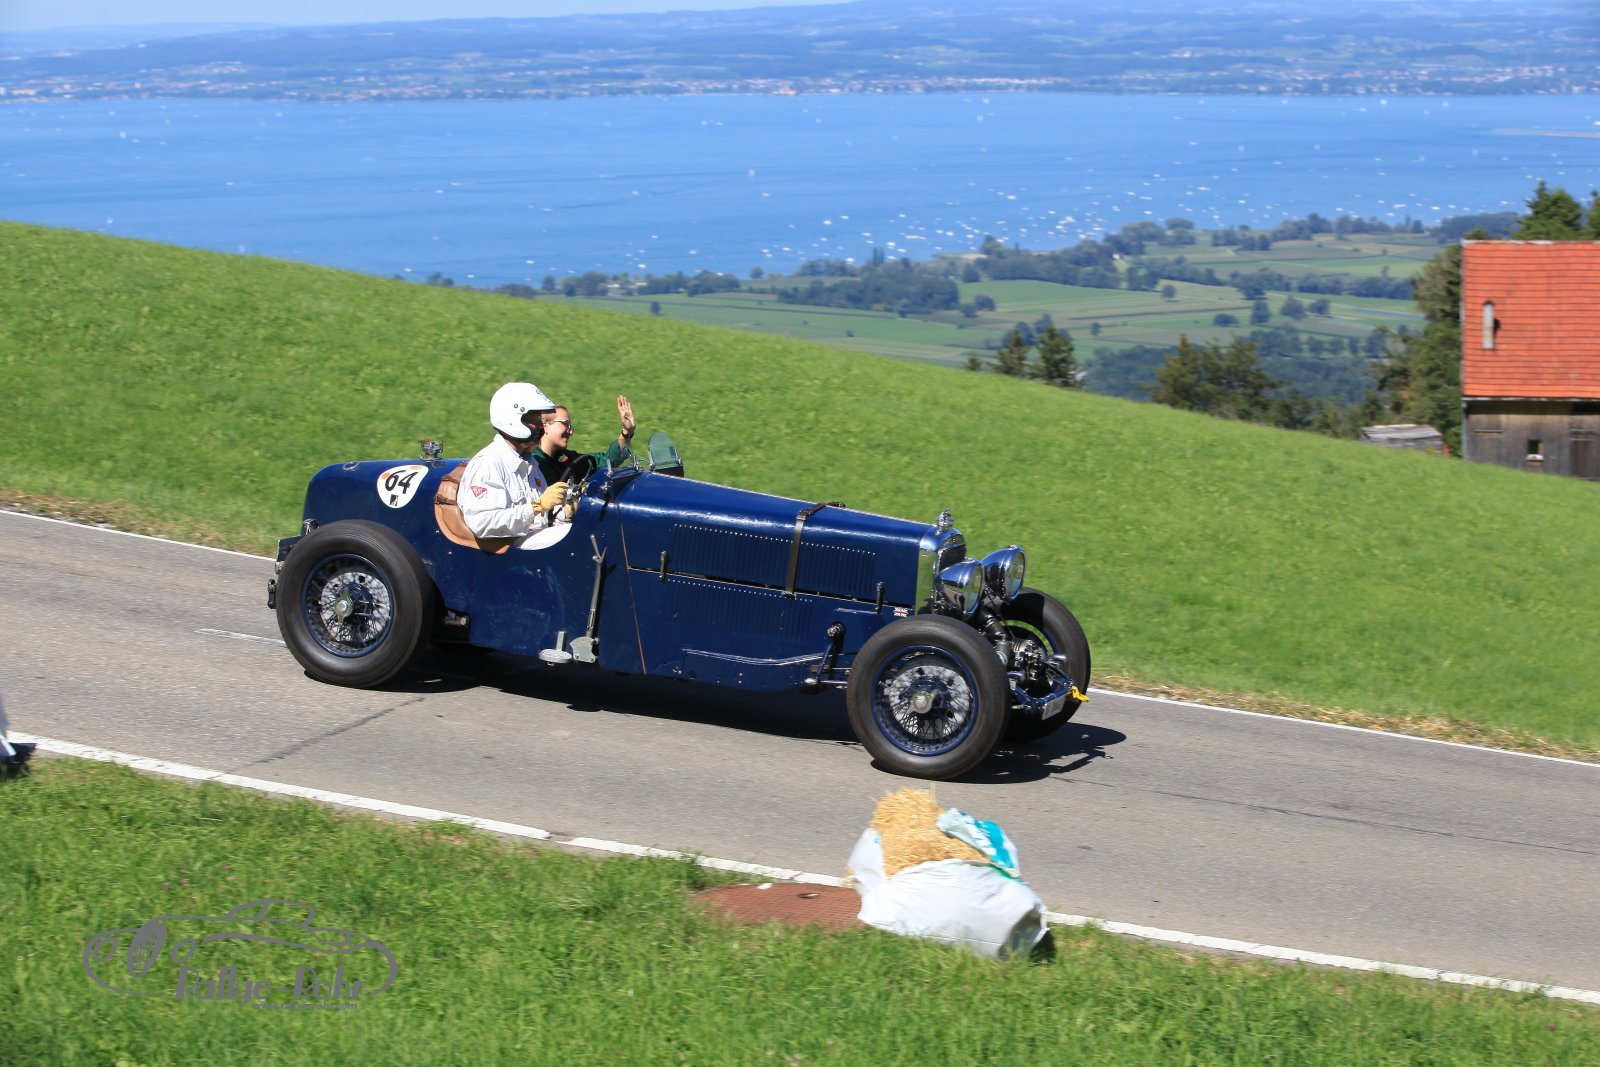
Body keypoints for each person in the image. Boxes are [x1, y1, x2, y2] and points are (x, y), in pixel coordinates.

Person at [458, 381, 572, 543]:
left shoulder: (531, 464)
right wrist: (536, 507)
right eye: (535, 419)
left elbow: (541, 522)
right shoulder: (488, 463)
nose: (542, 427)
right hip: (509, 552)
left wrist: (565, 512)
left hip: (535, 547)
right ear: (513, 419)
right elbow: (482, 523)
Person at [530, 395, 637, 490]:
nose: (571, 432)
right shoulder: (531, 463)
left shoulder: (569, 461)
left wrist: (627, 432)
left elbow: (607, 463)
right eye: (565, 424)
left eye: (570, 427)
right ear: (545, 425)